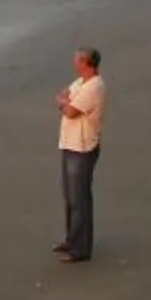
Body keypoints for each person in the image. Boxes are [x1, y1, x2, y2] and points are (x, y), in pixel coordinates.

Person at [53, 47, 107, 263]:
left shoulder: (94, 87)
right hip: (70, 144)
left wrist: (65, 103)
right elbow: (63, 96)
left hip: (83, 148)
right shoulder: (80, 83)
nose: (74, 62)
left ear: (85, 62)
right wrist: (65, 102)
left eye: (77, 59)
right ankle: (72, 239)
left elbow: (70, 110)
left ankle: (81, 248)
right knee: (70, 196)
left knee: (79, 199)